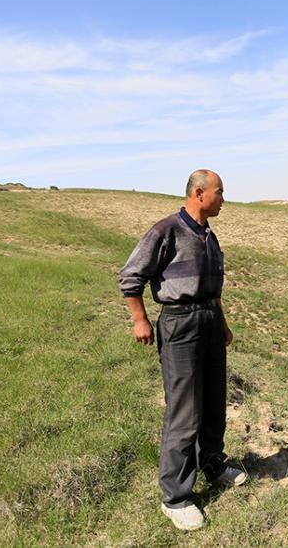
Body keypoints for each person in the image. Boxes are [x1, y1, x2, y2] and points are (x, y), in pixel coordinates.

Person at [118, 169, 247, 531]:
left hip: (209, 322)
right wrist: (139, 319)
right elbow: (130, 276)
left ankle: (212, 464)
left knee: (214, 401)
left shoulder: (209, 237)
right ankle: (175, 497)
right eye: (220, 192)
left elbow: (214, 290)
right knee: (185, 410)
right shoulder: (166, 230)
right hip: (180, 324)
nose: (224, 199)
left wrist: (222, 324)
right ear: (199, 193)